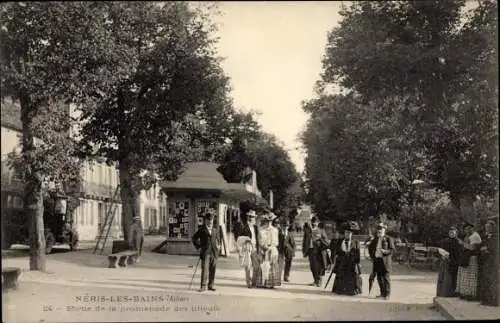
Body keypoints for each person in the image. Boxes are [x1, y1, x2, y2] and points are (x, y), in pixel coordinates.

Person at [191, 213, 220, 292]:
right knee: (205, 270)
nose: (210, 222)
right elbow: (194, 238)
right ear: (205, 220)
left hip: (214, 253)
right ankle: (203, 286)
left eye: (211, 220)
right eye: (208, 220)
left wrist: (218, 247)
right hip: (206, 253)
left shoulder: (215, 230)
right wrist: (199, 246)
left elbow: (218, 240)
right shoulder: (202, 229)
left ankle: (211, 285)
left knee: (213, 270)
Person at [332, 221, 362, 296]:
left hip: (351, 262)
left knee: (352, 276)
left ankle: (351, 290)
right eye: (346, 233)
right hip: (342, 261)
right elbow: (336, 252)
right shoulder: (340, 241)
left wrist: (357, 263)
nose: (348, 234)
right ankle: (340, 290)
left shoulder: (356, 242)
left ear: (352, 234)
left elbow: (358, 254)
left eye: (349, 233)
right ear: (344, 233)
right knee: (341, 274)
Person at [368, 222, 395, 300]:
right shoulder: (375, 239)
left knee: (386, 278)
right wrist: (372, 256)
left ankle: (387, 294)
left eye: (381, 229)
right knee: (379, 278)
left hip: (385, 261)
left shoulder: (388, 238)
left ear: (384, 230)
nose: (379, 231)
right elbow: (370, 248)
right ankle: (382, 293)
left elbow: (392, 250)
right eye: (378, 229)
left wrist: (385, 251)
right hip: (377, 261)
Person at [456, 221, 482, 300]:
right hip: (467, 257)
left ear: (472, 228)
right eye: (465, 229)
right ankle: (465, 293)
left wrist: (462, 243)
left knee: (471, 277)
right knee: (465, 276)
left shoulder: (475, 236)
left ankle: (471, 294)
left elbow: (472, 248)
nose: (467, 230)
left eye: (468, 228)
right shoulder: (469, 236)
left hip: (472, 258)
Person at [255, 212, 281, 288]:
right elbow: (260, 240)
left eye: (271, 221)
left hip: (272, 250)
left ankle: (271, 283)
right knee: (263, 265)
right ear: (265, 221)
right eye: (267, 221)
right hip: (263, 249)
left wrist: (271, 247)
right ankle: (262, 282)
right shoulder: (261, 230)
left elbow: (276, 242)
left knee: (272, 266)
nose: (269, 223)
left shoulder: (275, 230)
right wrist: (264, 246)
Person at [303, 217, 330, 287]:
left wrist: (320, 239)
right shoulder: (308, 230)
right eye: (313, 222)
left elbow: (327, 241)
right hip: (310, 250)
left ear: (318, 223)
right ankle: (315, 281)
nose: (314, 223)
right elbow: (305, 241)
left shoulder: (321, 230)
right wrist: (304, 250)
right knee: (312, 267)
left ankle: (319, 281)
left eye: (315, 222)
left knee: (319, 266)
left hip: (318, 251)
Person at [436, 226, 462, 297]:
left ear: (456, 233)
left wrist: (451, 257)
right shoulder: (445, 241)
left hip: (453, 262)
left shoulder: (458, 242)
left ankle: (449, 294)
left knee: (450, 279)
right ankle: (440, 293)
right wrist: (442, 254)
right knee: (442, 277)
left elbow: (458, 253)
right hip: (444, 260)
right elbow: (440, 249)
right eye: (450, 232)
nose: (451, 233)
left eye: (453, 232)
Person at [478, 220, 498, 306]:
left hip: (492, 261)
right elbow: (480, 246)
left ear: (493, 228)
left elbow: (495, 249)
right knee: (485, 280)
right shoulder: (485, 237)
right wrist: (482, 249)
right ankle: (485, 300)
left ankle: (493, 301)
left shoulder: (496, 237)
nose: (487, 229)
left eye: (489, 227)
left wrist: (487, 249)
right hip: (485, 261)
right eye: (486, 227)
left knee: (492, 281)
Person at [239, 210, 260, 288]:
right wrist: (246, 241)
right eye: (250, 217)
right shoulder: (244, 227)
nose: (252, 218)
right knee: (247, 266)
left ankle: (254, 282)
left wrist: (257, 248)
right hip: (247, 247)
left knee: (256, 266)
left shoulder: (255, 227)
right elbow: (239, 238)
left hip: (254, 248)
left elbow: (257, 238)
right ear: (248, 217)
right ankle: (248, 283)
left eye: (253, 217)